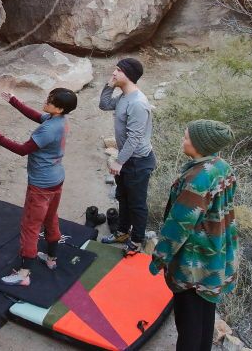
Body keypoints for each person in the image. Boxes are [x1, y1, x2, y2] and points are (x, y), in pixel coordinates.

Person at [0, 88, 78, 285]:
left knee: (30, 226)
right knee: (50, 218)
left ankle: (24, 273)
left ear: (60, 108)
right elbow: (37, 115)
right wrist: (14, 101)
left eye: (50, 100)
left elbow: (22, 149)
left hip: (40, 185)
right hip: (56, 180)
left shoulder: (48, 130)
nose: (46, 101)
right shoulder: (60, 120)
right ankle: (51, 258)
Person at [150, 120, 237, 351]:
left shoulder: (197, 179)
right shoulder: (221, 166)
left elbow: (179, 224)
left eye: (187, 137)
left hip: (194, 261)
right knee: (205, 312)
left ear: (200, 144)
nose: (183, 140)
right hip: (215, 253)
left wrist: (160, 256)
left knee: (188, 321)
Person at [98, 57, 155, 254]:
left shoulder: (138, 103)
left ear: (128, 75)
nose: (113, 73)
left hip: (138, 161)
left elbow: (135, 138)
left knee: (137, 204)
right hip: (127, 158)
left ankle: (137, 241)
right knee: (122, 196)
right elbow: (104, 105)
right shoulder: (124, 97)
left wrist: (119, 161)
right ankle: (122, 231)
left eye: (117, 70)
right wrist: (109, 85)